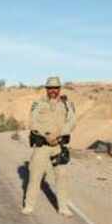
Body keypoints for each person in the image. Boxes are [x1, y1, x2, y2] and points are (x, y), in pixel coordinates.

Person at [23, 76, 76, 216]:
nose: (53, 90)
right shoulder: (37, 103)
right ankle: (29, 205)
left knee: (62, 177)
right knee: (35, 176)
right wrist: (46, 135)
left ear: (60, 89)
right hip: (42, 145)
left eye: (56, 88)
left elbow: (71, 122)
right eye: (50, 88)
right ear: (46, 89)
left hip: (59, 145)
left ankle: (63, 207)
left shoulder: (67, 104)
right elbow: (32, 122)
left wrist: (59, 135)